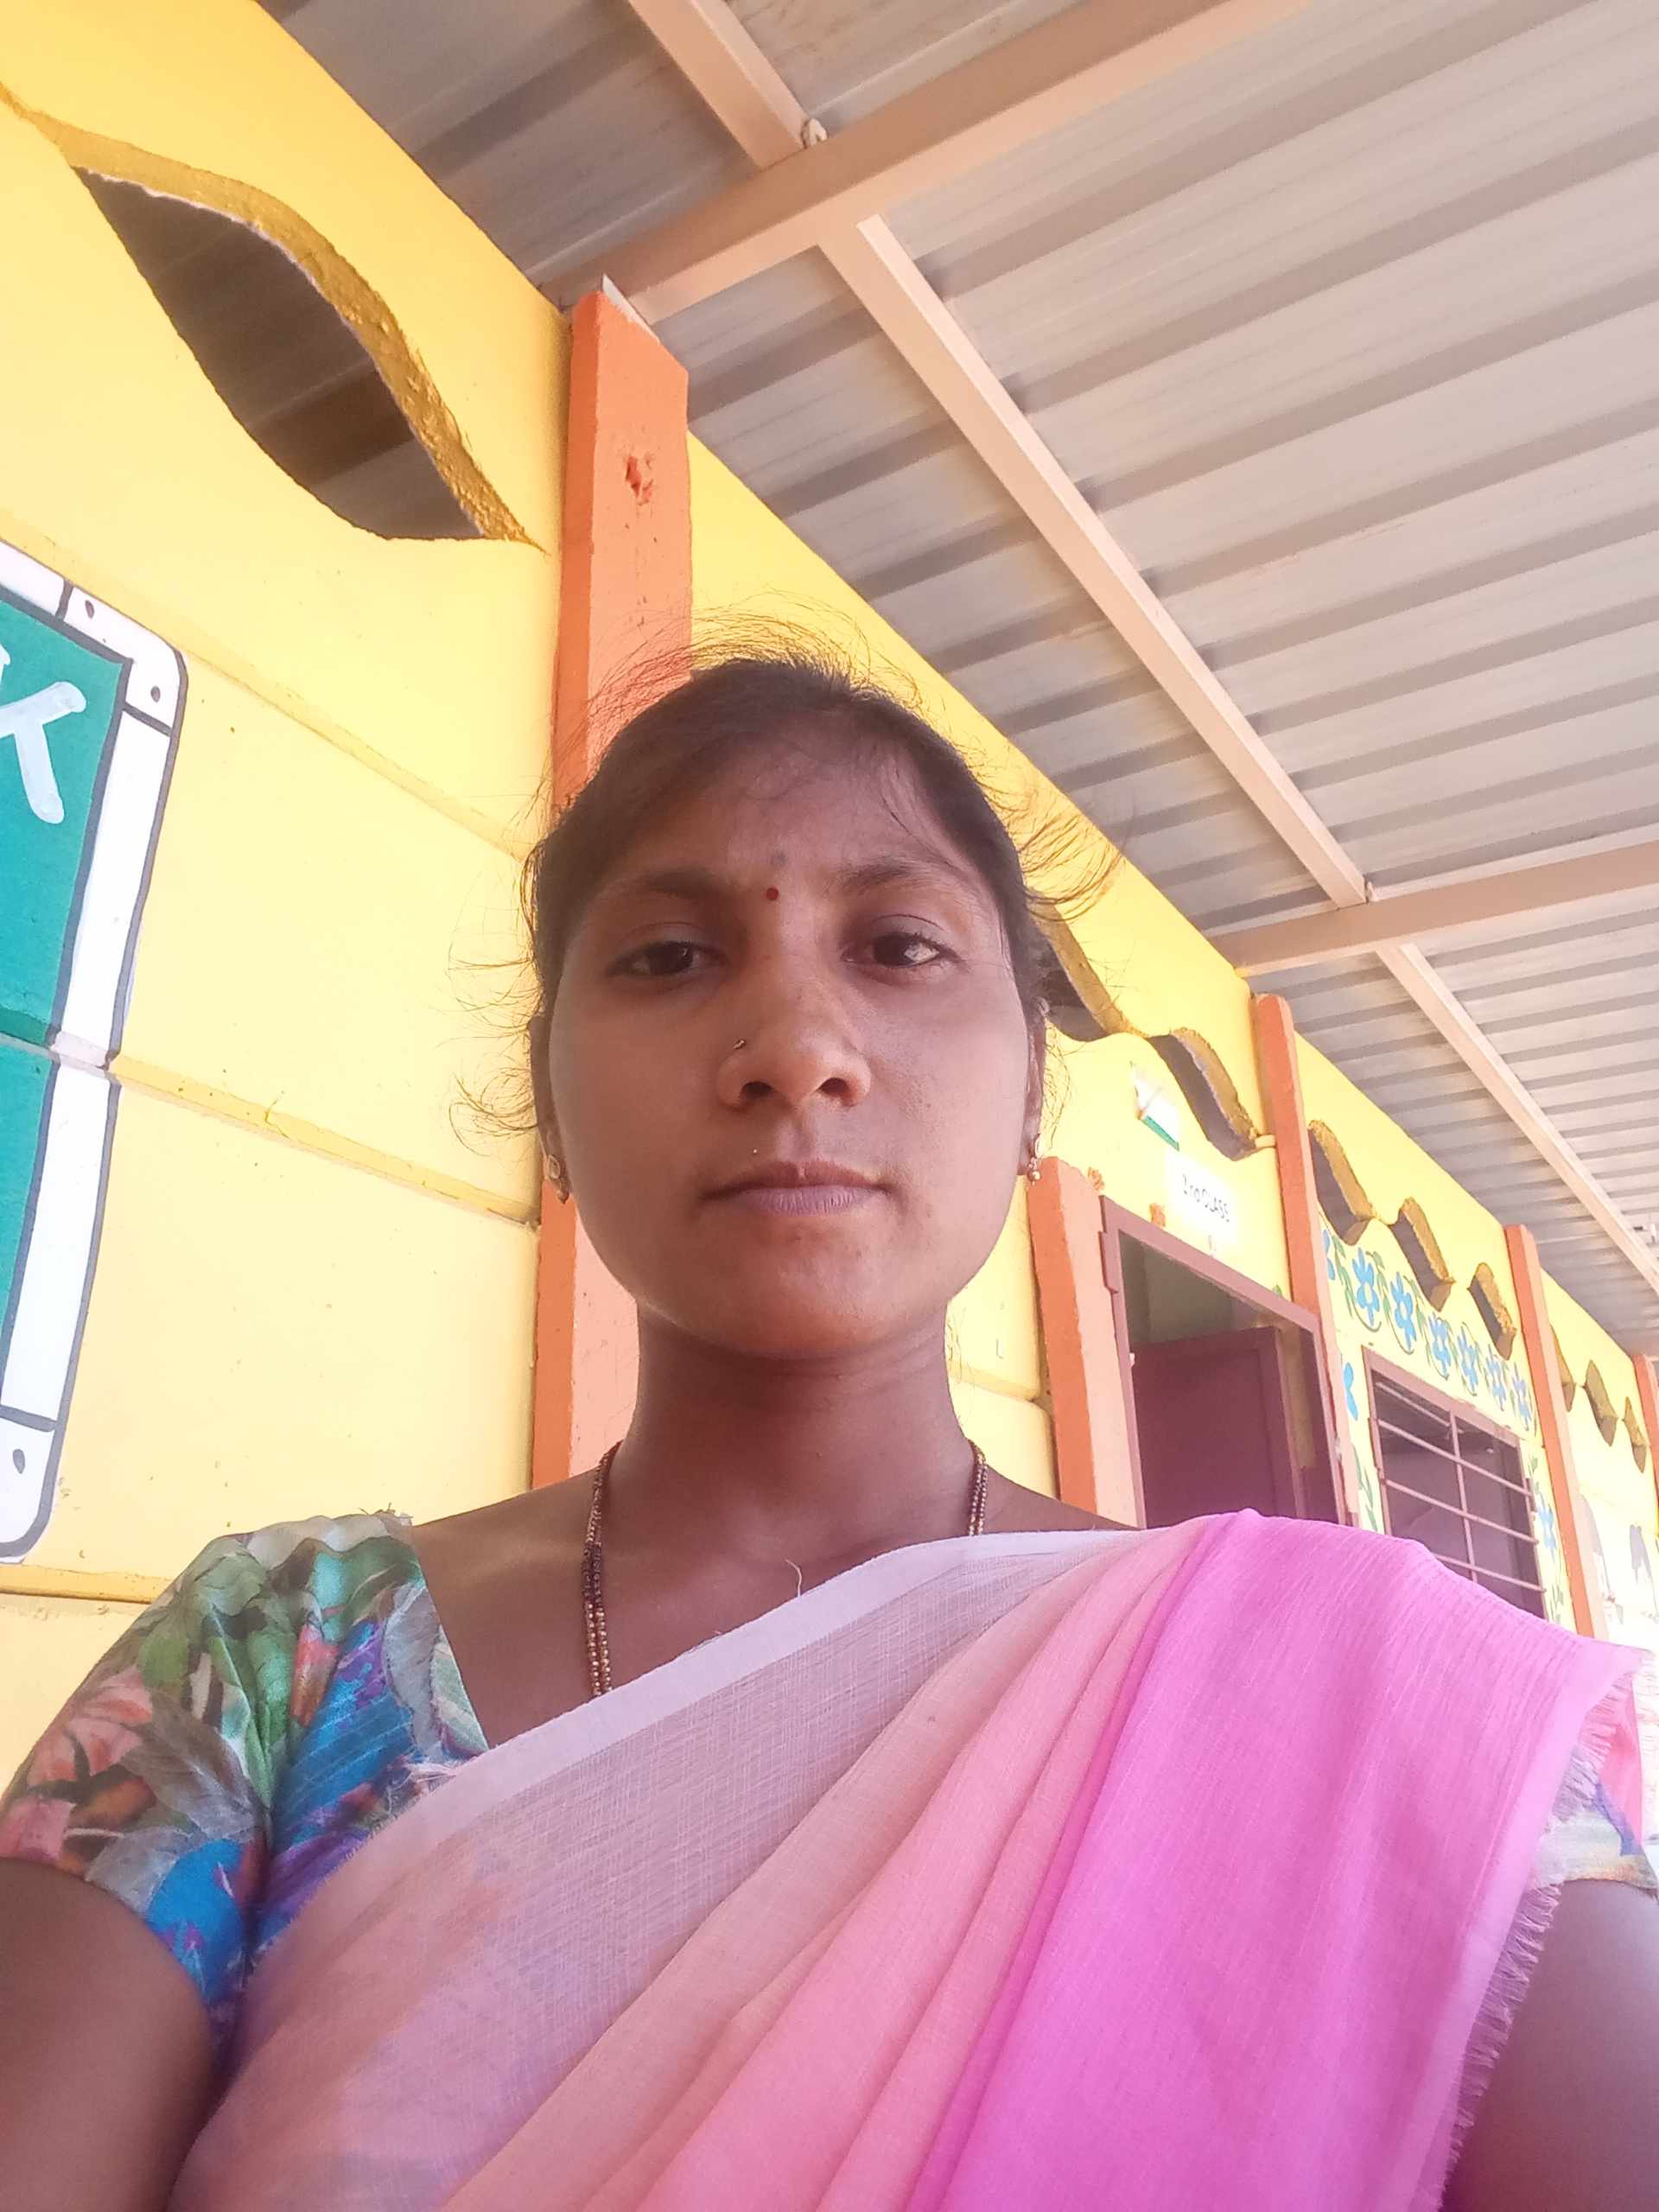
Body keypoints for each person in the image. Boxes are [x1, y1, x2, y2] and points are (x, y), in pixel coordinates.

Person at [1, 649, 1655, 2209]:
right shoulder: (267, 1668)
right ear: (552, 1097)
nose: (794, 1051)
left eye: (899, 947)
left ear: (1031, 1093)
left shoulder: (1359, 1709)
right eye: (669, 956)